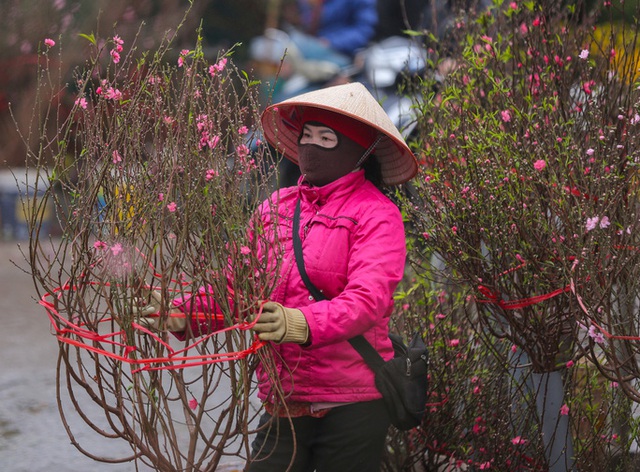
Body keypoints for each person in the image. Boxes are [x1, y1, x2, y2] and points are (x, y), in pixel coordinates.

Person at [136, 82, 418, 471]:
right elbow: (238, 285)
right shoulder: (276, 207)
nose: (311, 148)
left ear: (358, 151)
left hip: (354, 399)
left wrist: (301, 322)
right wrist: (185, 314)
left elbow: (368, 300)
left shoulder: (377, 214)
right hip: (285, 397)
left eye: (327, 139)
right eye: (306, 136)